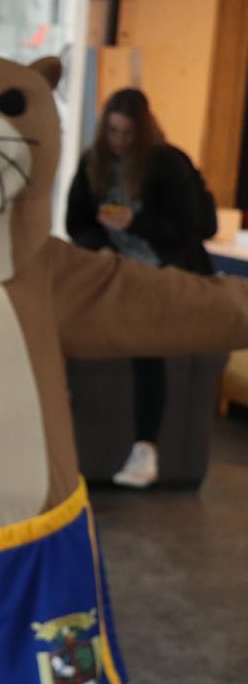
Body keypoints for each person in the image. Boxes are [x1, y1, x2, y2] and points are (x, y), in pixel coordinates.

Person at [66, 88, 218, 488]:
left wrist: (135, 224)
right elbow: (76, 221)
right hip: (113, 271)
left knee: (146, 345)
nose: (119, 141)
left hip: (162, 273)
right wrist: (100, 247)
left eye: (128, 133)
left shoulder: (168, 165)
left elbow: (193, 228)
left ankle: (145, 447)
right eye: (113, 131)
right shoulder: (92, 164)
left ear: (143, 131)